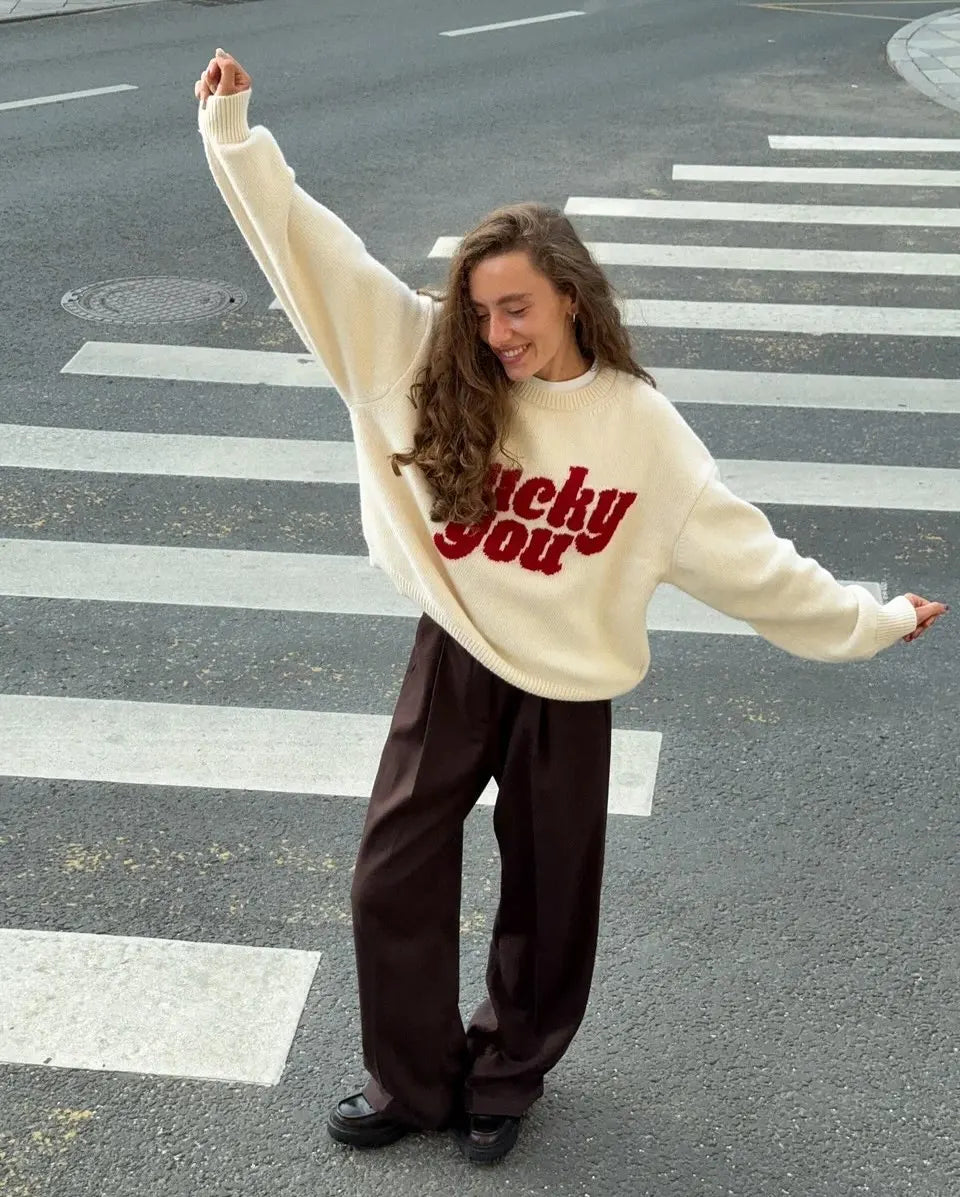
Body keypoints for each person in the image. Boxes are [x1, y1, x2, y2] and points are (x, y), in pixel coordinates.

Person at [194, 48, 948, 1166]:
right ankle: (409, 1082)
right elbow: (310, 250)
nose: (496, 333)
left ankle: (504, 1079)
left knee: (549, 901)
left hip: (571, 685)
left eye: (518, 310)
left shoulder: (640, 429)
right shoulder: (412, 355)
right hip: (453, 655)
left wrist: (871, 618)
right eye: (482, 309)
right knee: (390, 871)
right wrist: (235, 135)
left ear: (571, 298)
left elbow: (748, 557)